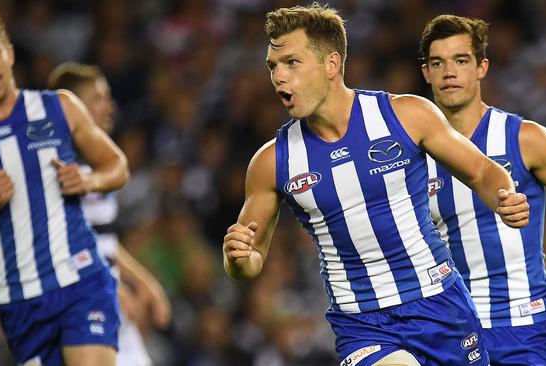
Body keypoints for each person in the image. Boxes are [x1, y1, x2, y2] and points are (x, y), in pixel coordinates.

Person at [222, 4, 530, 366]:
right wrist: (237, 257)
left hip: (439, 305)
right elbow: (250, 262)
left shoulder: (407, 116)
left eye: (292, 62)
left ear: (331, 64)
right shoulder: (272, 161)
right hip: (362, 324)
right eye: (273, 66)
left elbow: (482, 171)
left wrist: (504, 196)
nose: (278, 77)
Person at [419, 14, 546, 365]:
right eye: (438, 63)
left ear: (481, 68)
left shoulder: (525, 139)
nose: (449, 72)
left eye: (461, 61)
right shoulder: (412, 155)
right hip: (450, 329)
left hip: (525, 327)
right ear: (426, 73)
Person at [0, 6, 129, 366]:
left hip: (81, 281)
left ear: (9, 54)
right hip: (20, 303)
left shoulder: (60, 107)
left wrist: (88, 180)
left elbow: (116, 165)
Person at [48, 62, 172, 366]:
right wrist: (111, 287)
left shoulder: (97, 162)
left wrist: (144, 282)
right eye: (98, 98)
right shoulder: (62, 168)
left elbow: (101, 239)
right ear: (73, 109)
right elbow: (64, 243)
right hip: (81, 301)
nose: (109, 106)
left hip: (104, 293)